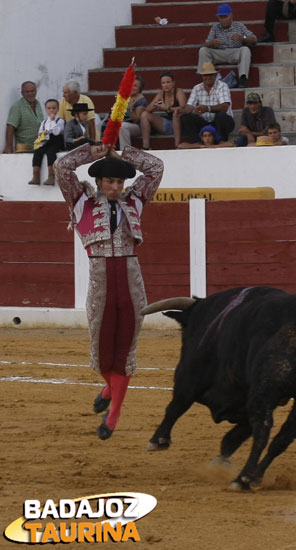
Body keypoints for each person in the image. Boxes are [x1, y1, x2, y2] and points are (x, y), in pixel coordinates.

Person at [54, 142, 164, 440]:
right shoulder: (81, 201)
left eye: (119, 181)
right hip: (100, 281)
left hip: (131, 280)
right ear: (99, 182)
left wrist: (121, 152)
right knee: (103, 351)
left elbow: (156, 167)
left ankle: (114, 410)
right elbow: (62, 168)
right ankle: (108, 387)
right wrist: (94, 151)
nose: (115, 187)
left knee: (125, 347)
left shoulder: (136, 200)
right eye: (110, 181)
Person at [198, 3, 257, 88]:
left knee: (245, 50)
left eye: (225, 17)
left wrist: (242, 37)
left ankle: (243, 78)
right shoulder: (215, 27)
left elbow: (254, 39)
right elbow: (207, 43)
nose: (223, 20)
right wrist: (212, 42)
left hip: (235, 52)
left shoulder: (239, 26)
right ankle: (202, 76)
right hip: (219, 53)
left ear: (231, 16)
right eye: (221, 17)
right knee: (203, 50)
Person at [179, 62, 235, 144]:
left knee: (221, 115)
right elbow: (190, 106)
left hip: (220, 122)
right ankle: (197, 143)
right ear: (201, 76)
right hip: (205, 123)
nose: (208, 77)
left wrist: (207, 108)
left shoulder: (222, 86)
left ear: (215, 76)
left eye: (210, 75)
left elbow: (225, 106)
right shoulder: (197, 88)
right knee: (187, 117)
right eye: (205, 75)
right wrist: (183, 110)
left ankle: (221, 141)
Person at [140, 72, 186, 149]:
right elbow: (148, 109)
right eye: (163, 83)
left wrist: (166, 108)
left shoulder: (179, 92)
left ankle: (177, 146)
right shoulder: (161, 94)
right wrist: (156, 105)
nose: (166, 85)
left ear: (173, 83)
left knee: (176, 113)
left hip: (182, 124)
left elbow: (182, 108)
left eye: (168, 82)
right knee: (144, 114)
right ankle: (146, 146)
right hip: (168, 124)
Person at [28, 99, 65, 186]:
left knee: (51, 152)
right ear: (46, 109)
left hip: (56, 141)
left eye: (53, 108)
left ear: (57, 109)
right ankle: (36, 176)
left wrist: (52, 121)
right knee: (37, 152)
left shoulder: (60, 121)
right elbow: (40, 133)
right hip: (45, 141)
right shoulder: (44, 122)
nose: (51, 110)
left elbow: (56, 132)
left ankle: (51, 176)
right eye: (49, 108)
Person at [4, 81, 43, 153]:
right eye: (27, 92)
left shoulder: (38, 104)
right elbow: (10, 126)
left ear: (36, 91)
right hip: (24, 148)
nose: (30, 94)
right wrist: (9, 146)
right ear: (22, 93)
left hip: (38, 146)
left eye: (32, 91)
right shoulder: (17, 106)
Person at [118, 76, 147, 149]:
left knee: (122, 126)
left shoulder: (141, 100)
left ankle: (126, 152)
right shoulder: (126, 97)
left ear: (139, 88)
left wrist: (131, 109)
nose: (132, 87)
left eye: (135, 86)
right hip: (125, 123)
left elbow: (136, 120)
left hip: (137, 127)